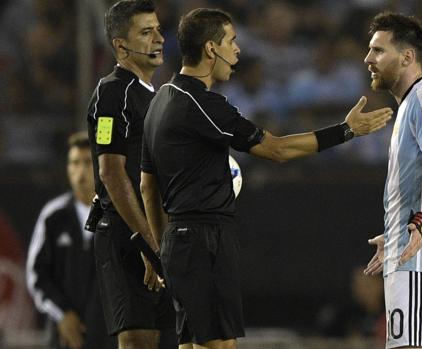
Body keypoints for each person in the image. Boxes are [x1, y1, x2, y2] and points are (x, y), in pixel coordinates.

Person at [139, 8, 392, 349]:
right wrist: (346, 130)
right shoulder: (201, 104)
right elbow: (276, 150)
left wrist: (159, 252)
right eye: (231, 41)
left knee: (195, 344)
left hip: (179, 242)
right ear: (211, 49)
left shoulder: (158, 102)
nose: (237, 51)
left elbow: (147, 186)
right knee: (219, 345)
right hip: (204, 240)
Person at [362, 12, 422, 349]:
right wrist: (393, 234)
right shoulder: (409, 105)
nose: (368, 59)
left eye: (378, 51)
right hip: (411, 261)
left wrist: (421, 223)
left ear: (407, 56)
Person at [85, 1, 175, 348]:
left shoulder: (155, 96)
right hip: (127, 235)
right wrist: (148, 245)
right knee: (138, 339)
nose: (159, 39)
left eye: (158, 30)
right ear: (121, 45)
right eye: (146, 32)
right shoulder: (113, 92)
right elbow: (110, 172)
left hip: (158, 234)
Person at [26, 131, 116, 349]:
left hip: (109, 336)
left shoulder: (118, 216)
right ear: (67, 168)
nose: (81, 170)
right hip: (63, 337)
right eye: (75, 162)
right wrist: (62, 313)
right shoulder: (54, 216)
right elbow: (36, 274)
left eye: (87, 162)